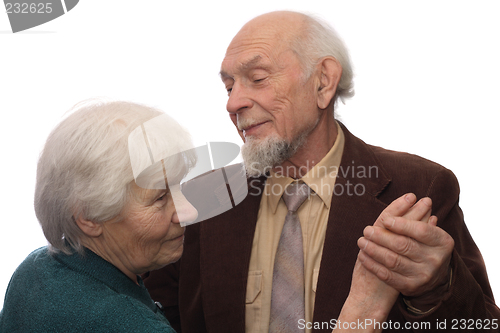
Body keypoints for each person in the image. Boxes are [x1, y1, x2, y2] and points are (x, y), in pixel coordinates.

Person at [143, 10, 500, 333]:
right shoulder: (203, 199)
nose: (233, 102)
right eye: (229, 85)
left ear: (323, 82)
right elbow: (152, 319)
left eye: (257, 77)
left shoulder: (420, 187)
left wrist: (437, 288)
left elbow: (481, 325)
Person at [0, 100, 199, 332]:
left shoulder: (33, 270)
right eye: (160, 198)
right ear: (88, 217)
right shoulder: (134, 325)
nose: (189, 212)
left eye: (179, 187)